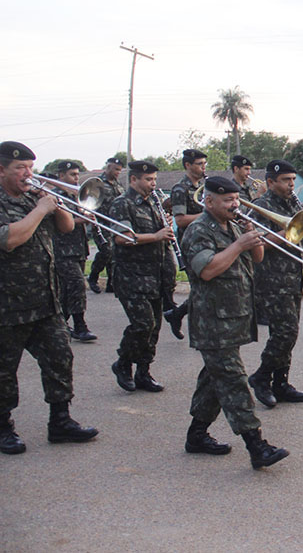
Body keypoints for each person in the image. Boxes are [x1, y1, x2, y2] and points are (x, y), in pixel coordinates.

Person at [181, 175, 288, 469]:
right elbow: (207, 270)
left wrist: (251, 236)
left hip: (233, 316)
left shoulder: (233, 225)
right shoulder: (198, 230)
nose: (234, 205)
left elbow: (258, 257)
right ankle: (257, 445)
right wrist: (239, 244)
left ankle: (196, 435)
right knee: (233, 380)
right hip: (212, 320)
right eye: (227, 200)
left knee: (214, 379)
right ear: (209, 201)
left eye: (236, 199)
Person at [0, 141, 98, 455]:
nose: (29, 174)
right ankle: (3, 427)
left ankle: (60, 420)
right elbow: (10, 240)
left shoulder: (34, 196)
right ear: (1, 170)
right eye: (20, 169)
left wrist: (54, 205)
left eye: (31, 167)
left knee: (60, 358)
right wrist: (41, 209)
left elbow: (67, 227)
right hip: (8, 303)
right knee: (4, 369)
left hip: (45, 298)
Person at [247, 159, 303, 408]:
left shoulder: (293, 204)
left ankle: (281, 383)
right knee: (285, 333)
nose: (291, 185)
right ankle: (261, 378)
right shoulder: (260, 206)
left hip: (293, 277)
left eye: (292, 180)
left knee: (288, 333)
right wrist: (289, 231)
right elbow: (256, 242)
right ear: (270, 182)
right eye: (286, 181)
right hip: (271, 280)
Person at [108, 160, 173, 393]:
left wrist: (166, 229)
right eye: (148, 180)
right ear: (134, 180)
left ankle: (144, 372)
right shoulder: (122, 204)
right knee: (142, 324)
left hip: (154, 275)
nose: (153, 184)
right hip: (131, 276)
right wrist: (156, 236)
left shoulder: (153, 204)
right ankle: (123, 363)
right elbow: (122, 237)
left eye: (154, 179)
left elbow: (160, 235)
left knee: (154, 327)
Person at [163, 148, 207, 339]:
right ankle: (197, 332)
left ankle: (176, 314)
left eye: (205, 163)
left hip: (205, 241)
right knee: (200, 290)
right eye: (200, 164)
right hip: (189, 244)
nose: (204, 167)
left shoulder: (203, 187)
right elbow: (180, 220)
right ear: (188, 165)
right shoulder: (180, 189)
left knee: (204, 288)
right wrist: (207, 214)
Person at [52, 161, 97, 342]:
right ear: (61, 176)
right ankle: (80, 326)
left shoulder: (79, 196)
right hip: (62, 250)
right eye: (72, 175)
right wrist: (81, 219)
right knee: (77, 285)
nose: (76, 178)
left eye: (78, 175)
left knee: (65, 290)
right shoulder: (55, 196)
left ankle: (59, 325)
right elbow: (56, 222)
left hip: (78, 248)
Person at [87, 156, 124, 294]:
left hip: (114, 224)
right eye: (116, 170)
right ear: (108, 167)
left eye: (119, 170)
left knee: (114, 253)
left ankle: (111, 283)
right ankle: (93, 277)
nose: (117, 173)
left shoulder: (118, 185)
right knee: (106, 250)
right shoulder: (98, 184)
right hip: (100, 223)